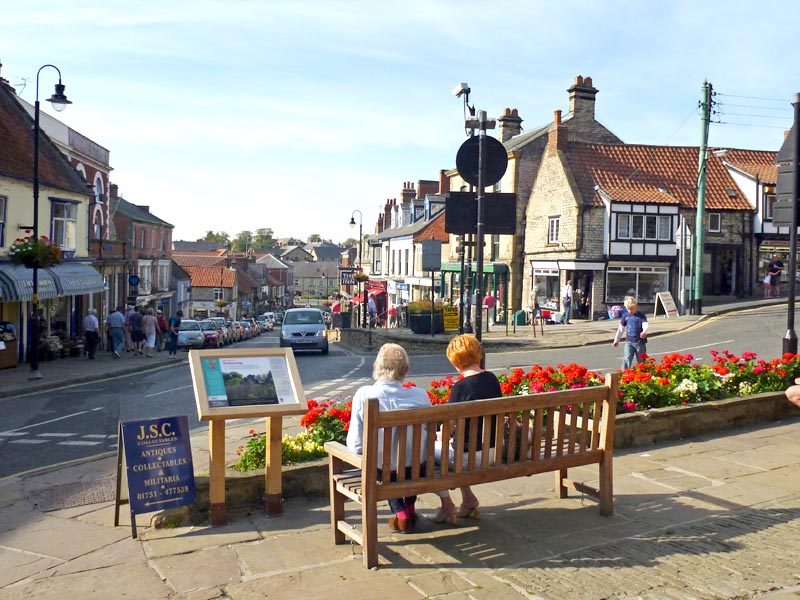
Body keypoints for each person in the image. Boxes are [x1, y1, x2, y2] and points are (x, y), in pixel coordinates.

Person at [346, 343, 430, 534]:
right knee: (408, 466)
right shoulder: (420, 395)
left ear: (375, 367)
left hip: (383, 471)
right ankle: (409, 508)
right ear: (406, 370)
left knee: (386, 467)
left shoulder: (365, 395)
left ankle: (401, 514)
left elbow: (356, 445)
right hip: (417, 468)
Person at [430, 334, 501, 524]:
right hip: (495, 451)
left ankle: (447, 505)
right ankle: (468, 499)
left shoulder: (460, 388)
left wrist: (437, 436)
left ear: (456, 362)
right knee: (457, 450)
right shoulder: (492, 379)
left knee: (426, 453)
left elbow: (448, 431)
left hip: (471, 457)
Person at [613, 296, 649, 370]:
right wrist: (616, 340)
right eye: (627, 309)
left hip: (640, 342)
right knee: (627, 357)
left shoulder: (641, 315)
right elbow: (620, 329)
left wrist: (644, 331)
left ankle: (643, 374)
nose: (630, 310)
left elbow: (645, 324)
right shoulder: (625, 316)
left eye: (631, 308)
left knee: (641, 359)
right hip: (629, 341)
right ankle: (623, 374)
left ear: (636, 306)